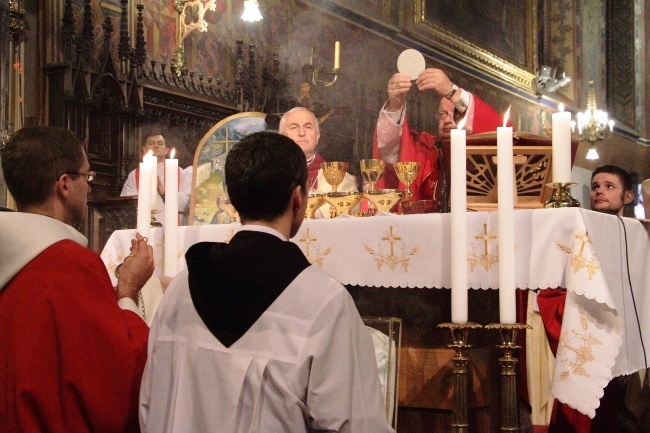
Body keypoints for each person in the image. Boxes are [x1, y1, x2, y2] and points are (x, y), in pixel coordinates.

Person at [139, 131, 393, 433]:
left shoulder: (180, 289)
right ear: (297, 198)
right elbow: (355, 424)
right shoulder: (324, 301)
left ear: (233, 199)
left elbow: (151, 406)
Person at [0, 126, 154, 432]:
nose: (90, 188)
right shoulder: (70, 265)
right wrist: (127, 292)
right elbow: (119, 379)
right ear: (65, 185)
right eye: (88, 177)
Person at [537, 165, 640, 433]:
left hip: (629, 345)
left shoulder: (640, 236)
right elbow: (552, 291)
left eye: (609, 186)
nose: (599, 191)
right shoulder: (577, 236)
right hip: (589, 338)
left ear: (627, 197)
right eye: (595, 186)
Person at [373, 68, 505, 201]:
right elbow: (392, 150)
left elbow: (503, 137)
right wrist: (395, 105)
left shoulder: (484, 151)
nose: (447, 120)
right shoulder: (428, 149)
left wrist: (452, 92)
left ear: (469, 116)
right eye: (443, 114)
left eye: (455, 114)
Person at [121, 131, 192, 225]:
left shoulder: (180, 172)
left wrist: (164, 193)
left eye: (160, 143)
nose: (156, 146)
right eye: (151, 143)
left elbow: (189, 203)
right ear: (144, 149)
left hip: (173, 227)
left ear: (167, 150)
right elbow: (126, 204)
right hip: (144, 227)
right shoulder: (134, 175)